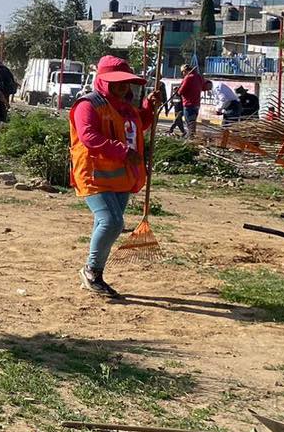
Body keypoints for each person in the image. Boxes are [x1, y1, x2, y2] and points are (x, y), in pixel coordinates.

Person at [68, 55, 159, 297]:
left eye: (126, 83)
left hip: (120, 176)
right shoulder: (88, 105)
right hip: (94, 174)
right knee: (112, 222)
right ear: (103, 81)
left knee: (107, 223)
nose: (122, 87)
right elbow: (89, 137)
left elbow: (137, 127)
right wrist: (122, 151)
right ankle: (91, 272)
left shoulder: (126, 107)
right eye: (117, 83)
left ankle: (93, 273)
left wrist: (149, 108)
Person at [176, 64, 210, 136]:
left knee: (190, 125)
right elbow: (204, 88)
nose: (182, 74)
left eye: (183, 72)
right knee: (192, 123)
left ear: (185, 71)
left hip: (188, 104)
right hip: (196, 104)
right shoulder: (199, 77)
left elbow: (181, 91)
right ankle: (191, 138)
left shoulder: (188, 78)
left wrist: (178, 91)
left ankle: (190, 140)